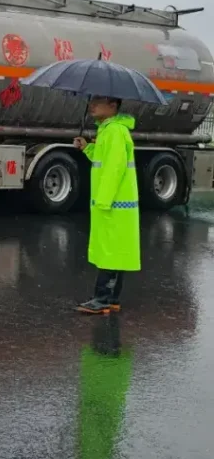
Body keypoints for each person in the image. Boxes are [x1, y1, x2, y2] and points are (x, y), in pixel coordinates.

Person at [73, 96, 140, 314]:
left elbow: (114, 169)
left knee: (110, 251)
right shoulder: (109, 130)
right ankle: (111, 298)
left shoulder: (114, 131)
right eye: (91, 100)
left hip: (114, 204)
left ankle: (101, 299)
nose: (92, 104)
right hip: (117, 203)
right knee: (116, 250)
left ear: (113, 106)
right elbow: (104, 161)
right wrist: (87, 149)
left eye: (98, 101)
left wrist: (103, 201)